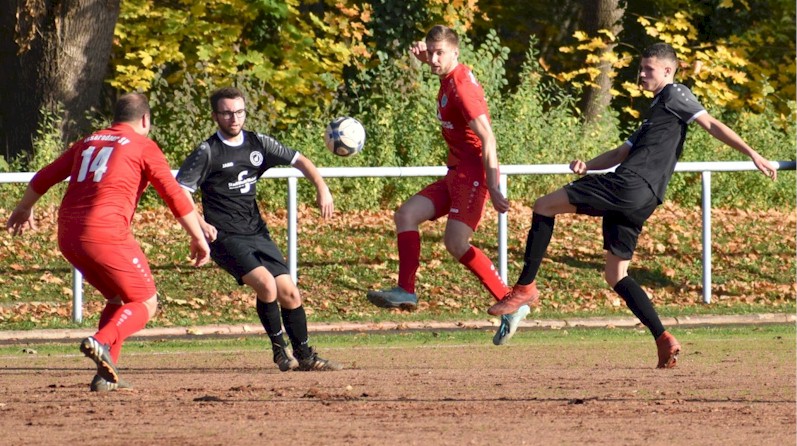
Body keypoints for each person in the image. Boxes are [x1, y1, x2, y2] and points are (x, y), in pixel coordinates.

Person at [488, 42, 778, 368]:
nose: (641, 74)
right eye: (641, 68)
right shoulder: (654, 113)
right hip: (641, 199)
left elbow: (711, 124)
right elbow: (618, 154)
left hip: (630, 186)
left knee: (543, 206)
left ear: (668, 71)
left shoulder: (676, 94)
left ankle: (525, 288)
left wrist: (754, 154)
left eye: (648, 69)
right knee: (616, 274)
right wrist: (588, 165)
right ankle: (663, 338)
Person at [6, 93, 211, 391]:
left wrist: (24, 208)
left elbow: (45, 175)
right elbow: (173, 193)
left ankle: (106, 375)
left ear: (115, 118)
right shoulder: (143, 145)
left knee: (117, 299)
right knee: (146, 301)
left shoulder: (89, 141)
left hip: (68, 235)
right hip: (105, 233)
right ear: (145, 120)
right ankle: (100, 341)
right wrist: (197, 235)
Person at [365, 25, 529, 346]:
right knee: (406, 215)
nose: (435, 58)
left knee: (455, 243)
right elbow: (437, 60)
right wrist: (427, 58)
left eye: (441, 53)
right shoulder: (447, 74)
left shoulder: (461, 88)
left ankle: (511, 301)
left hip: (473, 176)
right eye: (432, 52)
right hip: (454, 173)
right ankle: (406, 291)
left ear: (456, 52)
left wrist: (495, 186)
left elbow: (488, 137)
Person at [176, 87, 342, 372]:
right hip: (223, 236)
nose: (234, 118)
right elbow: (180, 190)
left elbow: (299, 159)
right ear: (215, 115)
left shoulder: (258, 143)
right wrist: (200, 225)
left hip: (256, 232)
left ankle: (306, 356)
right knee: (266, 284)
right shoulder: (207, 151)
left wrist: (322, 187)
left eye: (239, 111)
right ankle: (280, 352)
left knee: (289, 292)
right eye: (227, 113)